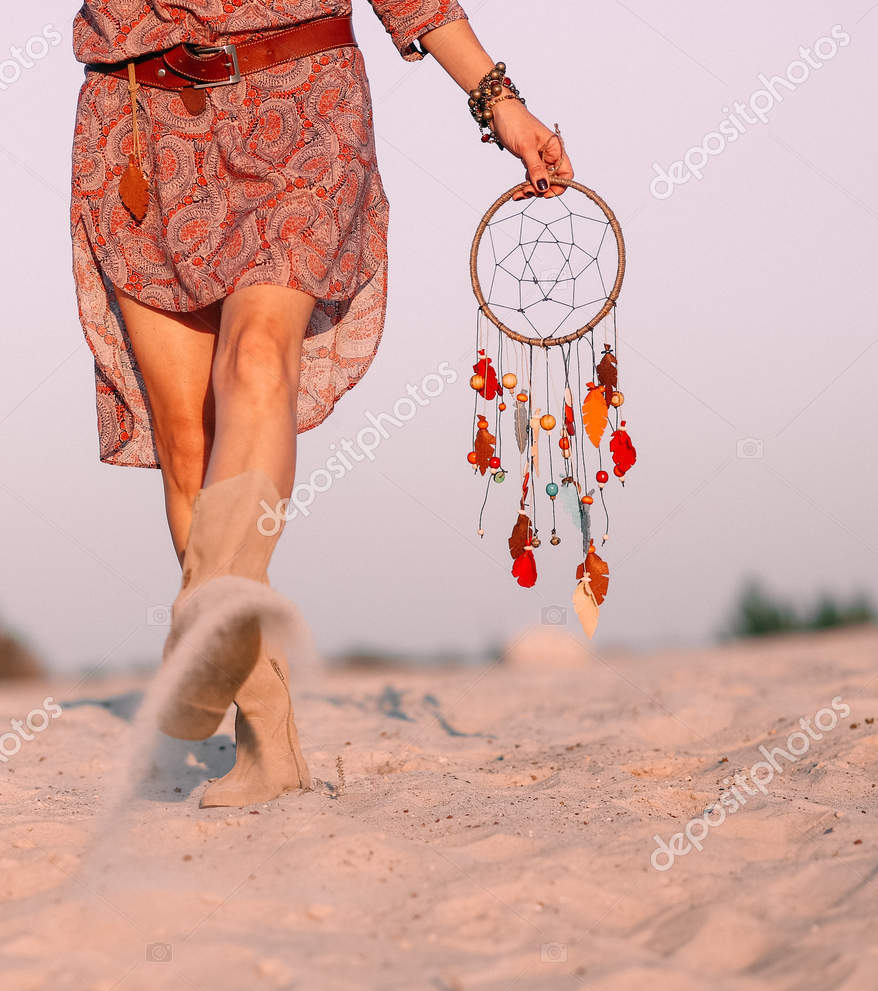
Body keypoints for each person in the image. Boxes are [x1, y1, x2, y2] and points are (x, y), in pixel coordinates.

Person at [70, 2, 573, 807]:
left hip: (301, 102)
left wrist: (497, 100)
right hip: (138, 123)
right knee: (185, 442)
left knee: (257, 356)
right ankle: (268, 738)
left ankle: (203, 624)